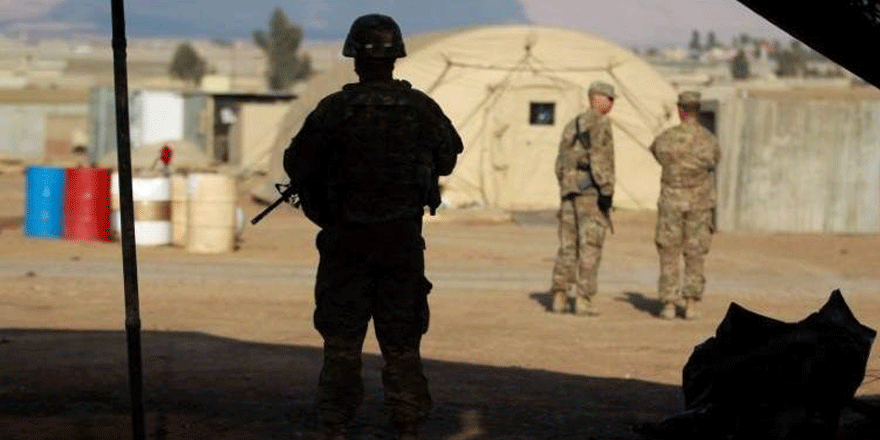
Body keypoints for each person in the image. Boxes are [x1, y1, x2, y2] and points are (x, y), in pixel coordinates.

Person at [283, 14, 462, 440]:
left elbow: (297, 162)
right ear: (396, 58)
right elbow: (448, 157)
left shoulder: (334, 109)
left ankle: (336, 423)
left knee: (342, 343)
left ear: (354, 59)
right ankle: (407, 424)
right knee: (401, 343)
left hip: (346, 244)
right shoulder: (421, 108)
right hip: (401, 245)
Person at [648, 91, 720, 320]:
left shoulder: (665, 138)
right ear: (698, 110)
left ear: (680, 110)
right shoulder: (709, 141)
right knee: (695, 253)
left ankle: (669, 304)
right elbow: (714, 161)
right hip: (699, 204)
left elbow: (656, 153)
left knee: (669, 252)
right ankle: (691, 305)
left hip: (671, 202)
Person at [549, 81, 616, 316]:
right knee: (590, 246)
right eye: (610, 98)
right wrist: (606, 191)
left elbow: (560, 163)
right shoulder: (601, 123)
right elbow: (599, 159)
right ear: (597, 98)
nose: (612, 104)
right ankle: (583, 299)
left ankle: (559, 297)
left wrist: (567, 184)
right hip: (590, 194)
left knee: (568, 246)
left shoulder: (573, 124)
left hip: (569, 193)